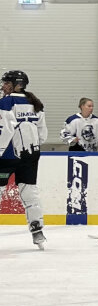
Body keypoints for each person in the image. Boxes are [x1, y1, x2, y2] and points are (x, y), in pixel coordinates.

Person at [0, 70, 48, 248]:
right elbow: (42, 134)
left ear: (16, 84)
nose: (3, 86)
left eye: (6, 83)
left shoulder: (6, 102)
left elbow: (5, 130)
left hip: (7, 156)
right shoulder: (35, 103)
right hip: (31, 155)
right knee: (30, 192)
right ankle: (37, 231)